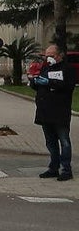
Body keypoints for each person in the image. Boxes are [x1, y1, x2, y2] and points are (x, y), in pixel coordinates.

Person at [31, 43, 76, 181]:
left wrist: (49, 82)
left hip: (60, 112)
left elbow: (67, 87)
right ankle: (53, 167)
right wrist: (34, 81)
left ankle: (66, 169)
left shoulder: (67, 69)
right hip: (46, 112)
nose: (48, 59)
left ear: (59, 56)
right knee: (50, 142)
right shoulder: (45, 67)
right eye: (47, 56)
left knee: (64, 141)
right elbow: (39, 87)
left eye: (51, 56)